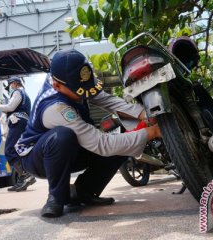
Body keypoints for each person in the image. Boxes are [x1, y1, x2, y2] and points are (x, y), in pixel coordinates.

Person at [14, 49, 161, 217]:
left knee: (123, 144)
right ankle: (56, 197)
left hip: (71, 151)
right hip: (36, 157)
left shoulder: (75, 80)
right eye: (79, 92)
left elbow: (106, 100)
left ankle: (83, 192)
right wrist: (154, 132)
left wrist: (145, 114)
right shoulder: (55, 107)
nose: (83, 94)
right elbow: (100, 144)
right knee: (62, 137)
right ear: (57, 86)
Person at [0, 76, 36, 192]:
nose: (10, 89)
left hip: (17, 122)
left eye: (10, 86)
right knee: (18, 150)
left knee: (9, 150)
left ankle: (26, 175)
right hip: (23, 123)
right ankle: (23, 179)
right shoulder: (26, 96)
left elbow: (10, 107)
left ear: (14, 83)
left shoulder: (18, 92)